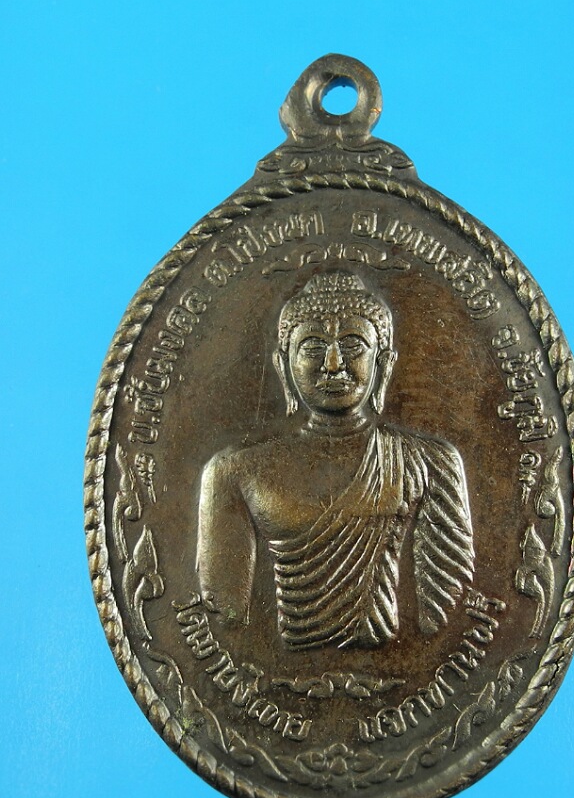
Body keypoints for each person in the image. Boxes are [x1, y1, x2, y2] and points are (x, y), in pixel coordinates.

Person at [197, 271, 474, 650]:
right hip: (279, 674)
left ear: (383, 362)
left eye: (353, 344)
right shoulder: (235, 472)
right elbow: (224, 618)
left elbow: (445, 616)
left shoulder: (429, 462)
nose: (332, 364)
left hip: (388, 670)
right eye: (313, 347)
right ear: (282, 364)